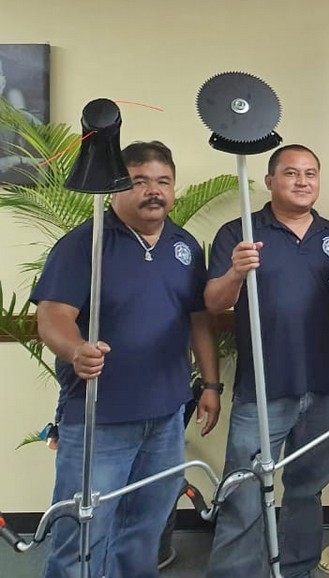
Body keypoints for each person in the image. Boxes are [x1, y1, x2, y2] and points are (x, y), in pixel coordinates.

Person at [32, 141, 221, 577]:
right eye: (139, 182)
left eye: (163, 182)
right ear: (118, 187)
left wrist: (210, 385)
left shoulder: (185, 245)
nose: (153, 191)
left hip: (167, 417)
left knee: (144, 532)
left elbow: (198, 320)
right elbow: (53, 316)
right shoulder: (85, 244)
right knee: (82, 535)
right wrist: (76, 349)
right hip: (99, 419)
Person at [204, 145, 329, 578]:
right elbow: (213, 303)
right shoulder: (241, 232)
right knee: (244, 493)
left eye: (310, 173)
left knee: (306, 490)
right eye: (291, 173)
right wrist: (235, 273)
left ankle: (298, 569)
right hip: (264, 389)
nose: (302, 181)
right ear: (269, 181)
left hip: (323, 386)